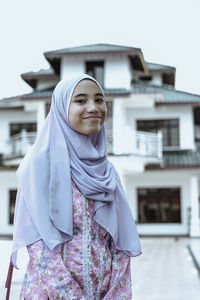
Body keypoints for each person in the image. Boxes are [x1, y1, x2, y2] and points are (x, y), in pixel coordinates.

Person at [7, 74, 142, 299]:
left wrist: (116, 294)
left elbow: (119, 245)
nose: (93, 107)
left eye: (99, 100)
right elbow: (40, 248)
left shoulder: (108, 172)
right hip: (50, 293)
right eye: (80, 101)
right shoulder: (40, 165)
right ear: (61, 108)